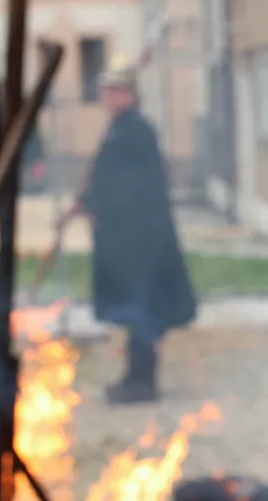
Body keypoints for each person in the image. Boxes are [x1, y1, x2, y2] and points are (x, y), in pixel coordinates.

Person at [64, 62, 196, 404]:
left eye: (113, 91)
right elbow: (107, 178)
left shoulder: (136, 132)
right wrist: (86, 200)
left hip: (141, 243)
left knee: (143, 312)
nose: (106, 97)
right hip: (125, 242)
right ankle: (134, 378)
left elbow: (131, 188)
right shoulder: (119, 129)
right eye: (105, 91)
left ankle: (142, 384)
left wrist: (95, 203)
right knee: (134, 314)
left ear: (129, 95)